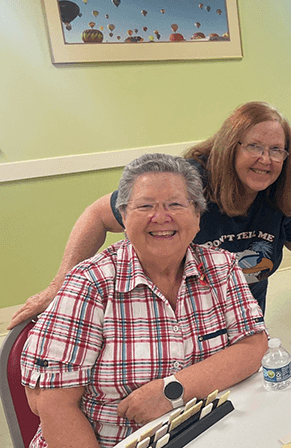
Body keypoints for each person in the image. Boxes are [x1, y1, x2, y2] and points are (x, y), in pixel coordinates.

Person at [21, 154, 268, 448]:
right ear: (124, 217)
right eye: (145, 205)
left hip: (204, 434)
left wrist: (172, 389)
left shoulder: (222, 268)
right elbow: (52, 402)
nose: (161, 217)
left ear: (198, 216)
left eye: (175, 204)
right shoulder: (90, 283)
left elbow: (253, 346)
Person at [9, 101, 291, 326]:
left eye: (276, 150)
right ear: (231, 145)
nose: (266, 159)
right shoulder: (185, 183)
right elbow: (97, 215)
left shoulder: (280, 191)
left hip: (241, 326)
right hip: (172, 330)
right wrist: (59, 285)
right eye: (254, 147)